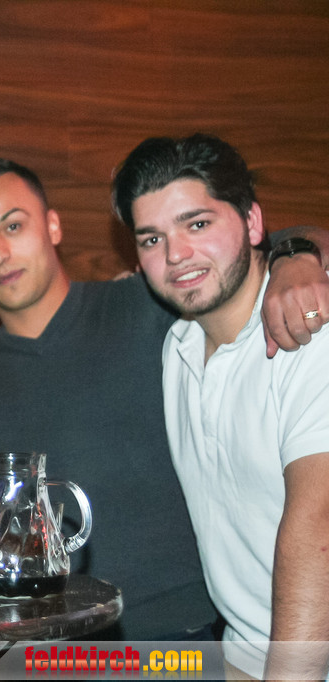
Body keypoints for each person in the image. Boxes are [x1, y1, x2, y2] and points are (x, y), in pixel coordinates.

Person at [0, 158, 329, 641]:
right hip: (50, 655)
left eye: (13, 226)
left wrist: (296, 257)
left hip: (187, 645)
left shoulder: (151, 303)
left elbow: (240, 247)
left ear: (53, 226)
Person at [112, 134, 329, 679]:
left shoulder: (309, 333)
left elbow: (320, 526)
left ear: (253, 223)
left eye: (198, 224)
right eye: (152, 238)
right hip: (241, 657)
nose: (176, 255)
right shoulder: (177, 346)